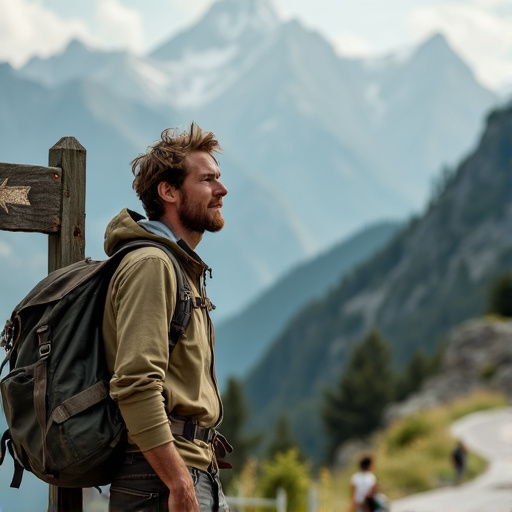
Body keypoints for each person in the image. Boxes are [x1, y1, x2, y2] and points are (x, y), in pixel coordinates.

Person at [102, 123, 230, 512]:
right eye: (207, 180)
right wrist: (179, 483)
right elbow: (136, 384)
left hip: (189, 471)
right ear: (169, 191)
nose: (221, 190)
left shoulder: (176, 265)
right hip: (162, 481)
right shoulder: (152, 265)